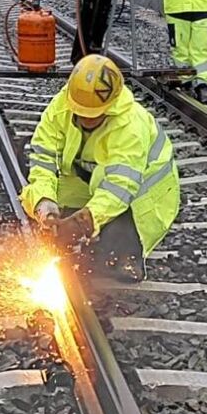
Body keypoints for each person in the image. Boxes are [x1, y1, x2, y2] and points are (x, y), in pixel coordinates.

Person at [20, 54, 181, 280]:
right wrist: (45, 206)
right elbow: (43, 162)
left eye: (92, 115)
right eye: (81, 113)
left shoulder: (130, 125)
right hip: (93, 181)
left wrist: (83, 221)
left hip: (141, 199)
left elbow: (119, 187)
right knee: (52, 216)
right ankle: (79, 222)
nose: (85, 119)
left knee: (111, 258)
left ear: (110, 106)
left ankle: (127, 255)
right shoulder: (60, 108)